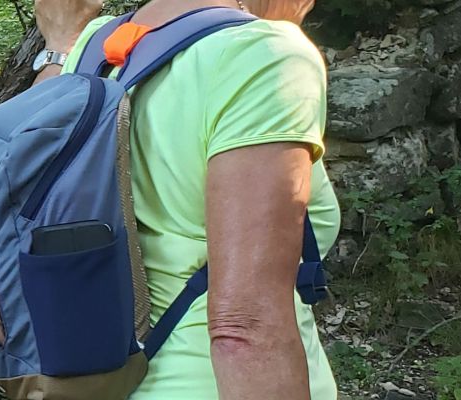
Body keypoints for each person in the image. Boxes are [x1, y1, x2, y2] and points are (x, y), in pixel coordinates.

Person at [31, 0, 340, 398]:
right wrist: (271, 42)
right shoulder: (262, 56)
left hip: (97, 381)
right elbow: (244, 327)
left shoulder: (97, 44)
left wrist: (58, 48)